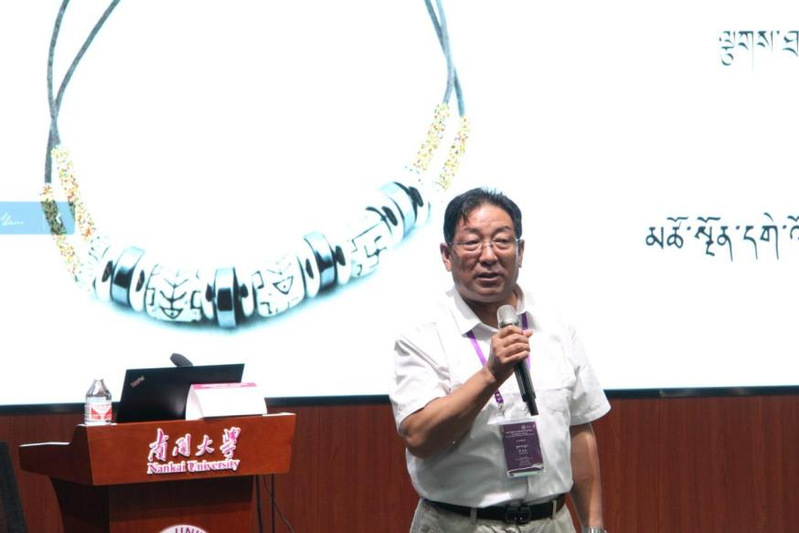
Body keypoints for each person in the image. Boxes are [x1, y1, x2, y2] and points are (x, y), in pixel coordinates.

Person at [390, 187, 610, 533]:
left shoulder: (556, 326)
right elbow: (419, 437)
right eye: (472, 242)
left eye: (502, 241)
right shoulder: (423, 333)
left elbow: (579, 428)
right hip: (460, 523)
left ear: (520, 251)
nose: (489, 255)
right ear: (447, 255)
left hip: (551, 522)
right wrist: (491, 374)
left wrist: (594, 526)